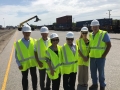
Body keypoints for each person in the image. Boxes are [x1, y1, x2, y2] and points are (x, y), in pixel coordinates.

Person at [89, 19, 111, 90]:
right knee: (93, 73)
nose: (94, 27)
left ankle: (102, 85)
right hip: (92, 57)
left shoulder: (103, 33)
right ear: (91, 27)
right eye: (93, 26)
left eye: (96, 26)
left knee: (101, 73)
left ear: (99, 26)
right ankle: (94, 84)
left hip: (100, 57)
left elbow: (109, 45)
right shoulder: (90, 35)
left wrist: (104, 55)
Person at [14, 25, 37, 90]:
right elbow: (16, 55)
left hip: (32, 63)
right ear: (23, 32)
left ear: (30, 33)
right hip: (23, 64)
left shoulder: (34, 41)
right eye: (25, 32)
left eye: (28, 32)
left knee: (34, 77)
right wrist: (19, 64)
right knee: (24, 78)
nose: (27, 34)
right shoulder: (18, 43)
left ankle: (35, 88)